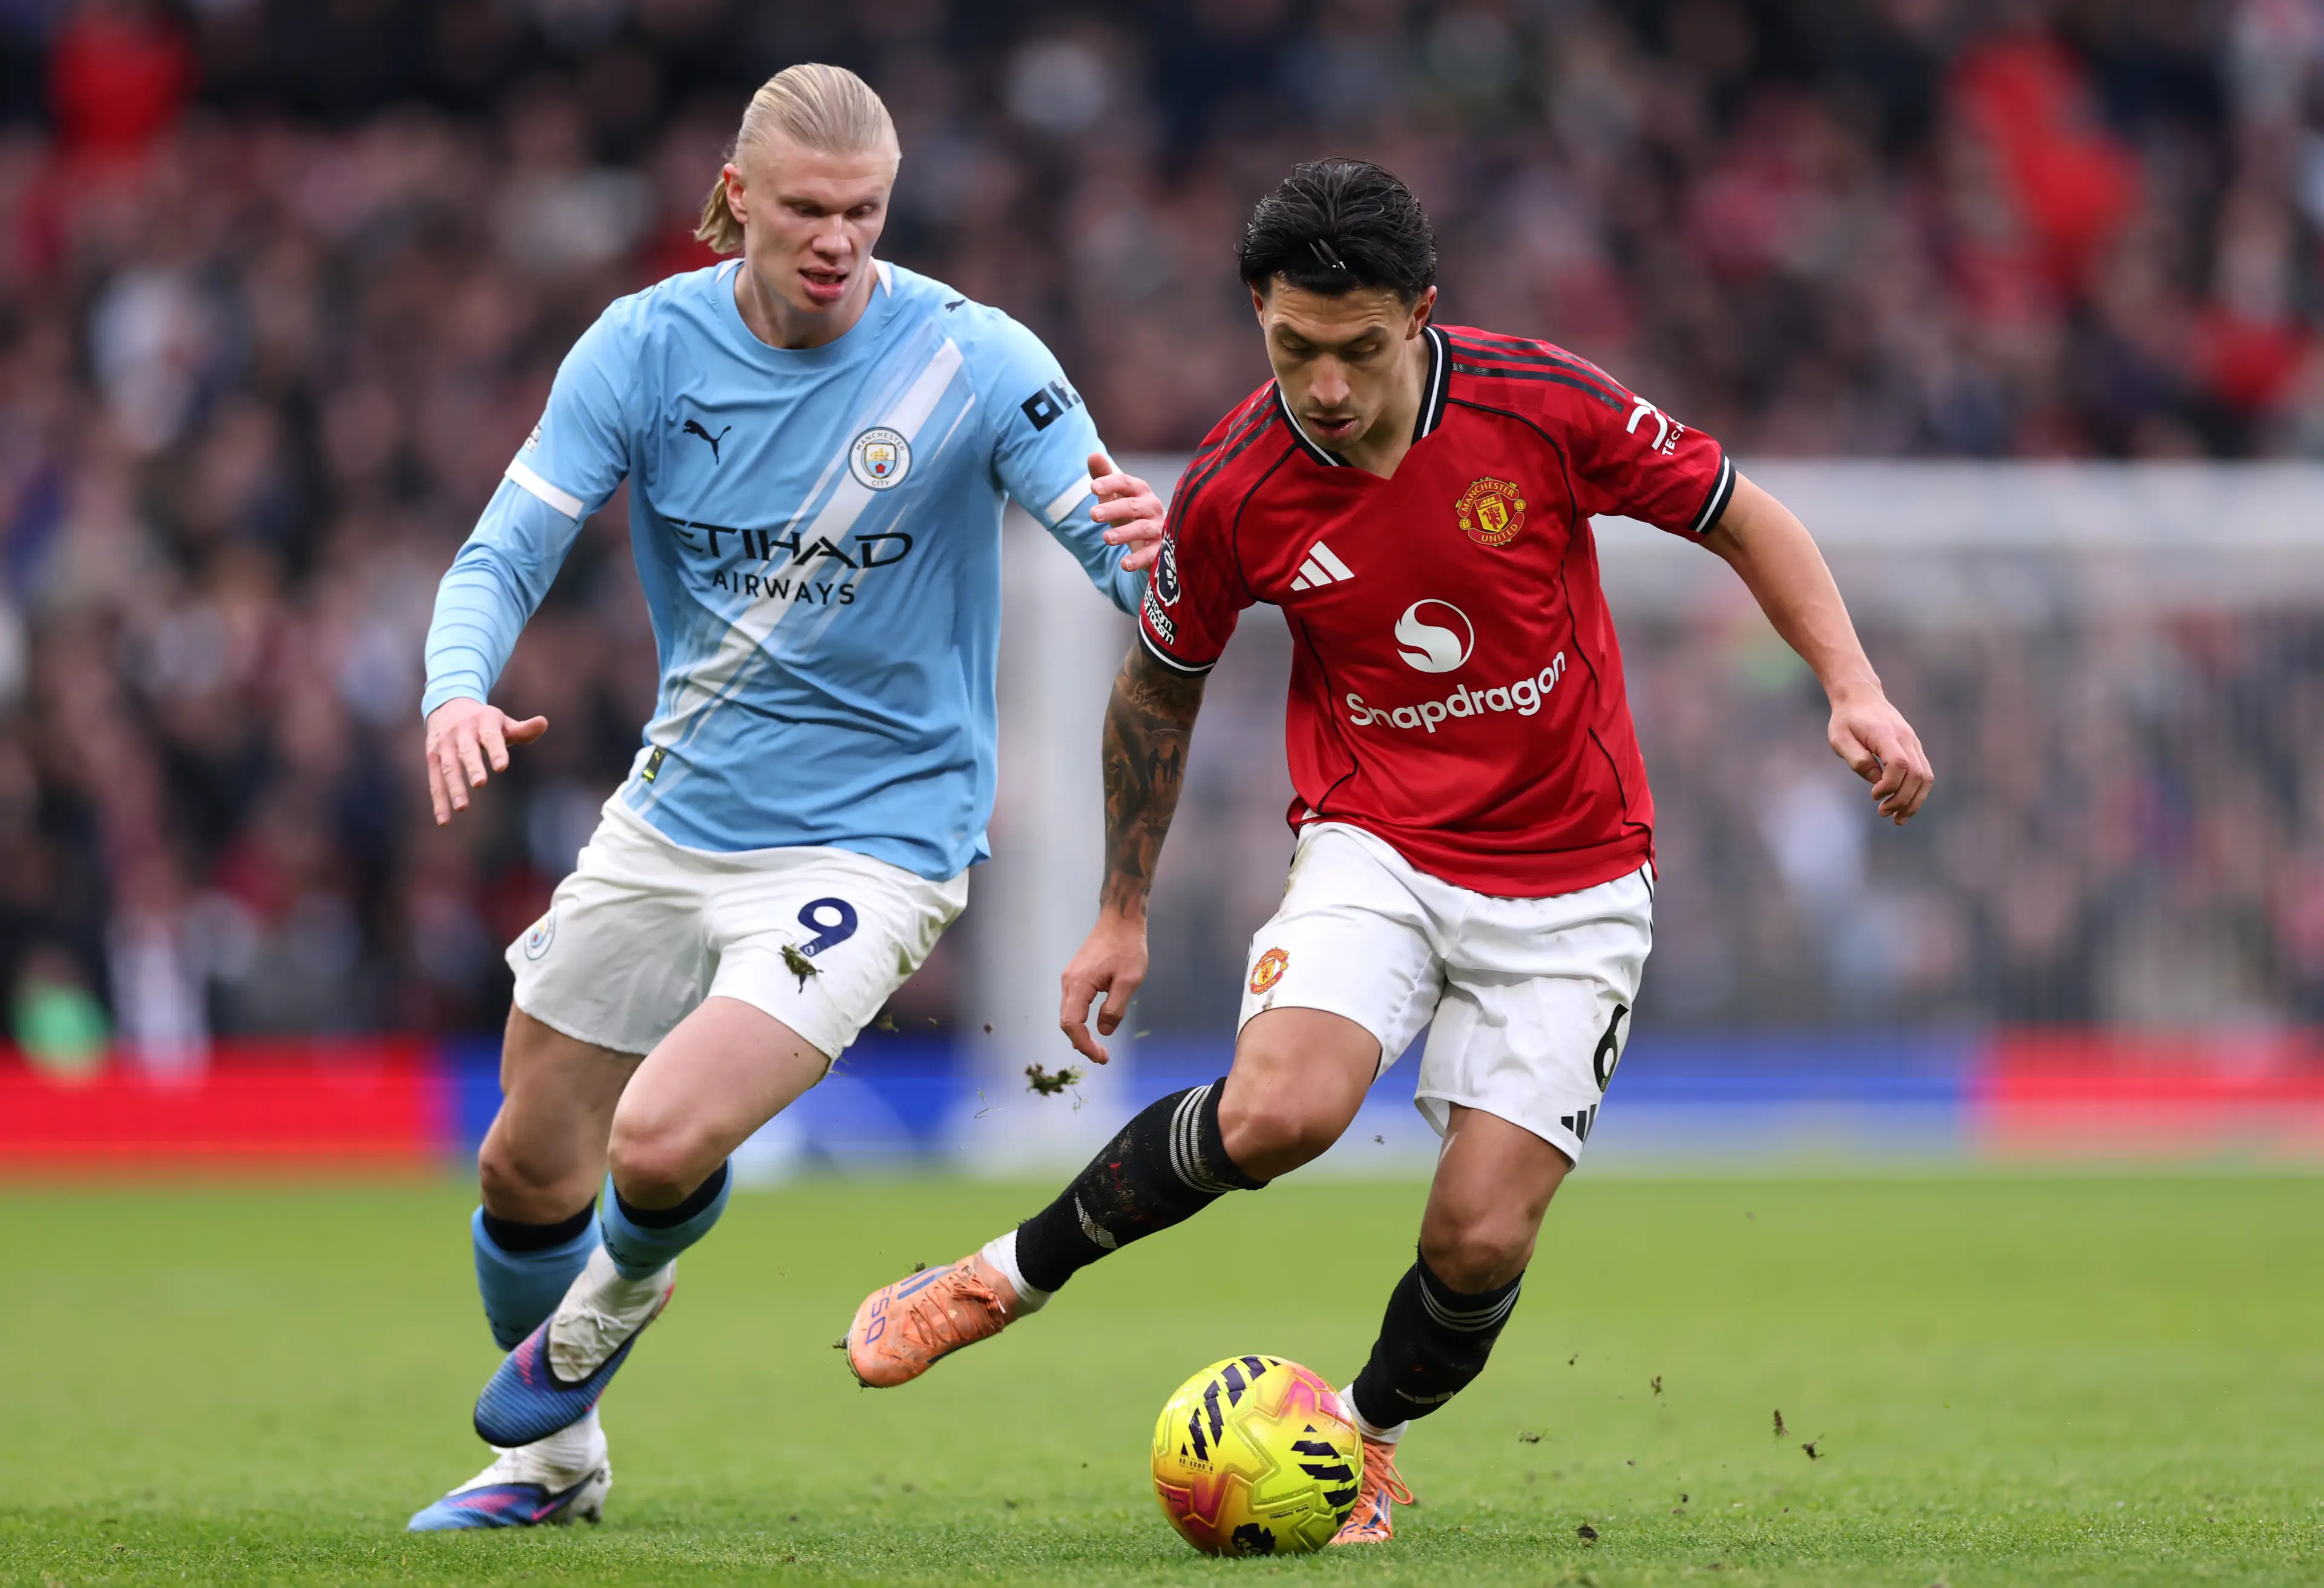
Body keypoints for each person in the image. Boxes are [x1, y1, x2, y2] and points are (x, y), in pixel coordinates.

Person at [841, 159, 1934, 1546]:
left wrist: (1853, 687)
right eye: (1296, 348)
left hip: (1580, 879)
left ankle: (1356, 1439)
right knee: (1277, 1112)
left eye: (1361, 350)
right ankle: (996, 1279)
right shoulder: (1239, 484)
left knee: (1479, 1239)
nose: (1330, 387)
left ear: (1423, 311)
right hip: (1378, 846)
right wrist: (1121, 910)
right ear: (1258, 314)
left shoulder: (1540, 403)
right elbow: (1157, 684)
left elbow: (1740, 512)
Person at [406, 64, 1164, 1531]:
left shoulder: (975, 358)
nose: (839, 241)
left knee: (665, 1135)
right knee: (523, 1160)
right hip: (677, 809)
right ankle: (557, 1470)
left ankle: (589, 1327)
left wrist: (1156, 547)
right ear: (738, 197)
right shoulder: (640, 349)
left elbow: (1132, 569)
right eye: (809, 209)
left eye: (867, 214)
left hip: (882, 837)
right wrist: (454, 689)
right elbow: (501, 553)